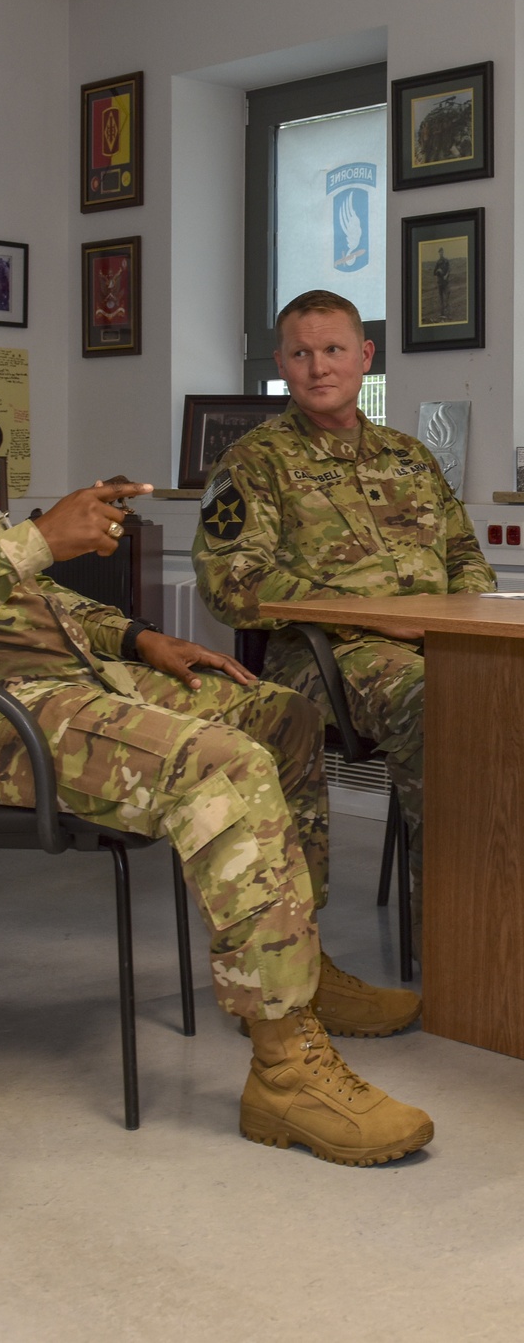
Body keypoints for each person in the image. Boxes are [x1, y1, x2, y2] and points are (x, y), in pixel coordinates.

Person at [0, 260, 432, 1166]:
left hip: (69, 680)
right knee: (222, 765)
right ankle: (287, 1070)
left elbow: (20, 601)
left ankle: (300, 970)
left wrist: (140, 638)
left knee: (282, 716)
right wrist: (34, 539)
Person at [192, 288, 495, 957]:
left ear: (364, 358)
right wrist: (378, 621)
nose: (319, 367)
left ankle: (502, 909)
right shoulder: (252, 464)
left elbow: (466, 558)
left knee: (491, 694)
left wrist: (463, 620)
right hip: (324, 659)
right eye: (301, 354)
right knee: (442, 705)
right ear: (281, 363)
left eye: (333, 351)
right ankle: (460, 945)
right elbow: (230, 582)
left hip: (437, 646)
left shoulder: (411, 458)